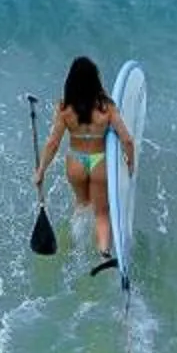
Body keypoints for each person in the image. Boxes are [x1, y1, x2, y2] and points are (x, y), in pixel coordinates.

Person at [35, 55, 136, 260]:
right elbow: (127, 140)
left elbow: (53, 143)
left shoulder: (65, 109)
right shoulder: (106, 107)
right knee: (101, 212)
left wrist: (41, 171)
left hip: (76, 162)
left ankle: (75, 250)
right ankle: (104, 255)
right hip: (99, 161)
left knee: (81, 206)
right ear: (95, 80)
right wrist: (130, 161)